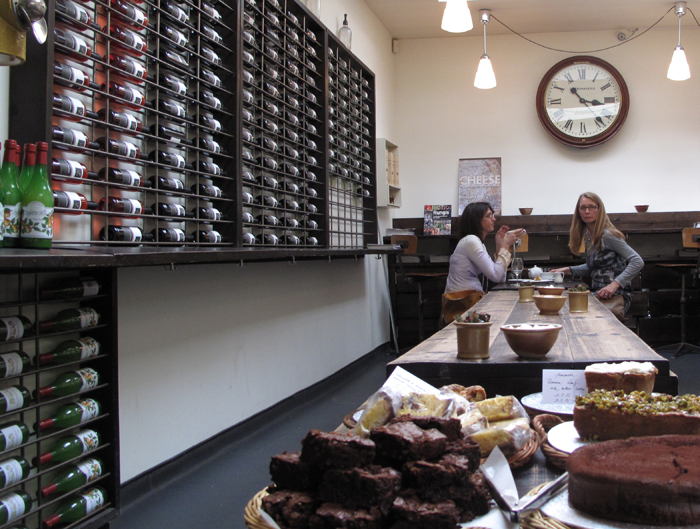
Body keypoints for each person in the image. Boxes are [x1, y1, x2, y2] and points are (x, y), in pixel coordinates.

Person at [551, 192, 644, 321]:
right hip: (598, 294)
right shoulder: (589, 236)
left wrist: (615, 284)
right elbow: (594, 266)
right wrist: (567, 270)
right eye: (583, 208)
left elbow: (637, 261)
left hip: (615, 296)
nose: (587, 211)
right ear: (578, 212)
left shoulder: (608, 236)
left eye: (592, 207)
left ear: (599, 210)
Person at [441, 202, 524, 324]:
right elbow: (496, 276)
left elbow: (501, 278)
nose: (493, 219)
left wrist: (499, 246)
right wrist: (505, 245)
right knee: (510, 314)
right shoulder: (471, 241)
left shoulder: (476, 242)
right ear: (477, 220)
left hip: (469, 301)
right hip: (461, 305)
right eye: (489, 216)